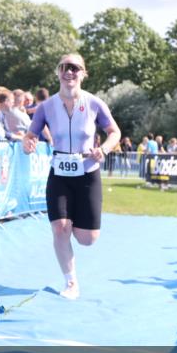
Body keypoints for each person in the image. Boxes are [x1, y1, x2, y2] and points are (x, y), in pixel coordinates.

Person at [22, 54, 121, 300]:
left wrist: (104, 149)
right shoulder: (46, 107)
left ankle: (77, 220)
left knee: (87, 239)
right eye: (65, 67)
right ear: (58, 72)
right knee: (60, 228)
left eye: (75, 68)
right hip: (59, 173)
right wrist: (28, 143)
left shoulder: (95, 103)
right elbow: (30, 134)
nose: (69, 72)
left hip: (87, 172)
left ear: (83, 74)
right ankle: (71, 282)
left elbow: (114, 132)